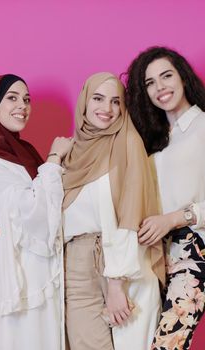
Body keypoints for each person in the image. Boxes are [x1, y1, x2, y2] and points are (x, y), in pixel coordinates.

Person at [125, 46, 205, 350]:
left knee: (167, 344)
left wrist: (174, 218)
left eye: (166, 76)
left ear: (184, 78)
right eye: (150, 83)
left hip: (195, 249)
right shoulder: (155, 140)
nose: (160, 87)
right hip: (153, 254)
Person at [0, 74, 73, 350]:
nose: (22, 105)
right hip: (18, 269)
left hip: (44, 262)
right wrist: (54, 159)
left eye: (26, 99)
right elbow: (28, 210)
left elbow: (52, 204)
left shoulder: (24, 154)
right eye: (11, 98)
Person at [62, 72, 166, 350]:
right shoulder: (70, 153)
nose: (106, 109)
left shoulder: (127, 143)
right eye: (98, 98)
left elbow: (129, 214)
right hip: (74, 265)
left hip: (120, 263)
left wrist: (116, 285)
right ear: (84, 101)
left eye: (115, 101)